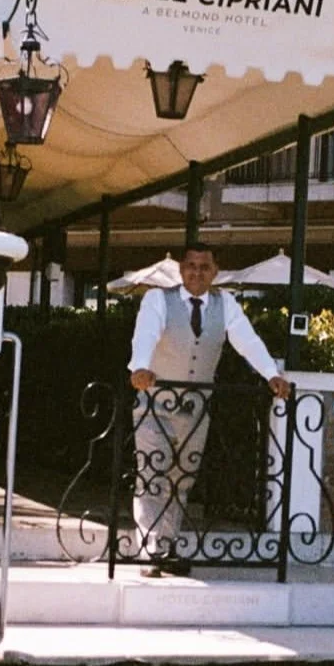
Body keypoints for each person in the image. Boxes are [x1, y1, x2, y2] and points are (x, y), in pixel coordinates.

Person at [128, 243, 291, 576]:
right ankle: (149, 550)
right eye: (191, 266)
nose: (197, 273)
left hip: (196, 408)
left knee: (181, 479)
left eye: (204, 267)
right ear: (181, 269)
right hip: (154, 404)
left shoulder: (225, 303)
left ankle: (167, 546)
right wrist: (140, 366)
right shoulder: (158, 300)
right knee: (152, 474)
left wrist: (271, 374)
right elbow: (145, 334)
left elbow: (247, 340)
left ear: (215, 272)